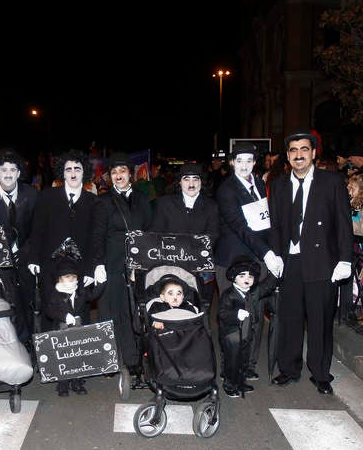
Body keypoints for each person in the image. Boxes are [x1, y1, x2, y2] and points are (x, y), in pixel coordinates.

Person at [268, 129, 354, 395]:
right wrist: (274, 254)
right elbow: (275, 225)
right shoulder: (280, 184)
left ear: (314, 153)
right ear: (288, 156)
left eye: (304, 149)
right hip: (290, 262)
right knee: (290, 318)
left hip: (322, 262)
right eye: (293, 150)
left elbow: (343, 223)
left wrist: (345, 259)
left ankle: (320, 373)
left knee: (320, 321)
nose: (299, 155)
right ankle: (289, 369)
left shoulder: (331, 182)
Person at [215, 142, 281, 380]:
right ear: (232, 162)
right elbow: (241, 227)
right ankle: (229, 365)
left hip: (256, 259)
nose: (244, 165)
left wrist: (273, 251)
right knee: (232, 315)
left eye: (249, 160)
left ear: (255, 163)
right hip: (232, 260)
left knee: (255, 312)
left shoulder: (260, 184)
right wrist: (267, 253)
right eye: (239, 161)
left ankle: (248, 363)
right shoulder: (226, 190)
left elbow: (264, 223)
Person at [25, 149, 108, 331]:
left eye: (77, 169)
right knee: (52, 312)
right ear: (62, 173)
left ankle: (78, 356)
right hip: (50, 267)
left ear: (84, 172)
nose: (73, 173)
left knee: (79, 314)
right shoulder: (47, 197)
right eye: (68, 169)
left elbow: (97, 238)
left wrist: (96, 266)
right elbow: (37, 230)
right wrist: (33, 258)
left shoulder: (95, 203)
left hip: (80, 268)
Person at [98, 154, 152, 383]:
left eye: (122, 171)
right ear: (110, 177)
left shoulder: (142, 198)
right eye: (114, 173)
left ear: (130, 174)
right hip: (112, 263)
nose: (118, 176)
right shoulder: (103, 201)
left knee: (135, 313)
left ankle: (134, 360)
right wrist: (98, 264)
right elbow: (97, 235)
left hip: (138, 264)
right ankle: (108, 359)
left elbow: (150, 228)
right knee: (112, 311)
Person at [150, 162, 220, 311]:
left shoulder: (212, 206)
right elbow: (155, 234)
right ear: (179, 182)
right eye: (186, 179)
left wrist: (193, 255)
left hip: (200, 270)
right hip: (171, 268)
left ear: (202, 182)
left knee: (200, 313)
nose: (191, 183)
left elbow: (213, 235)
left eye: (196, 179)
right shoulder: (164, 204)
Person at [42, 252, 106, 396]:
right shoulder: (55, 294)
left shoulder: (81, 292)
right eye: (67, 277)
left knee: (77, 357)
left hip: (78, 331)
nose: (70, 280)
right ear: (60, 278)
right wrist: (64, 316)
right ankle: (63, 384)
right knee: (63, 357)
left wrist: (101, 283)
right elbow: (49, 311)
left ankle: (77, 382)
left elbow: (93, 295)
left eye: (73, 277)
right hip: (61, 331)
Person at [0, 147, 38, 343]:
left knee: (28, 301)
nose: (8, 174)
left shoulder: (32, 195)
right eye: (3, 169)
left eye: (12, 170)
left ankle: (29, 342)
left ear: (19, 173)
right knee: (3, 303)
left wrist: (26, 252)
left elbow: (39, 228)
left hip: (25, 257)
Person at [217, 256, 276, 398]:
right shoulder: (229, 295)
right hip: (232, 335)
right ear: (233, 278)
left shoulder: (252, 293)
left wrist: (275, 273)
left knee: (243, 360)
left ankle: (240, 382)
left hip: (247, 334)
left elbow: (266, 287)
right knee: (232, 361)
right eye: (242, 275)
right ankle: (230, 384)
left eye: (250, 276)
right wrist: (236, 314)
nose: (247, 278)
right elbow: (222, 313)